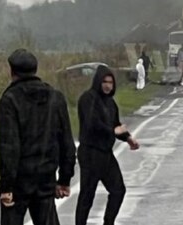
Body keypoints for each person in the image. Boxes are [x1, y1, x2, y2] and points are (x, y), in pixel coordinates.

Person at [0, 48, 76, 225]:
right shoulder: (56, 98)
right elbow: (67, 143)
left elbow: (9, 146)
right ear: (35, 70)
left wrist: (6, 185)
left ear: (12, 72)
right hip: (46, 178)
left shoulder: (9, 100)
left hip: (19, 181)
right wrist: (64, 179)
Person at [76, 65, 140, 225]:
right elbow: (91, 123)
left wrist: (128, 138)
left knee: (118, 190)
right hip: (90, 152)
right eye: (104, 81)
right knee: (87, 195)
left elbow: (116, 125)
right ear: (98, 81)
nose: (107, 85)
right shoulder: (88, 99)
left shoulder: (110, 103)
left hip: (105, 153)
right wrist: (113, 130)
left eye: (110, 82)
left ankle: (108, 222)